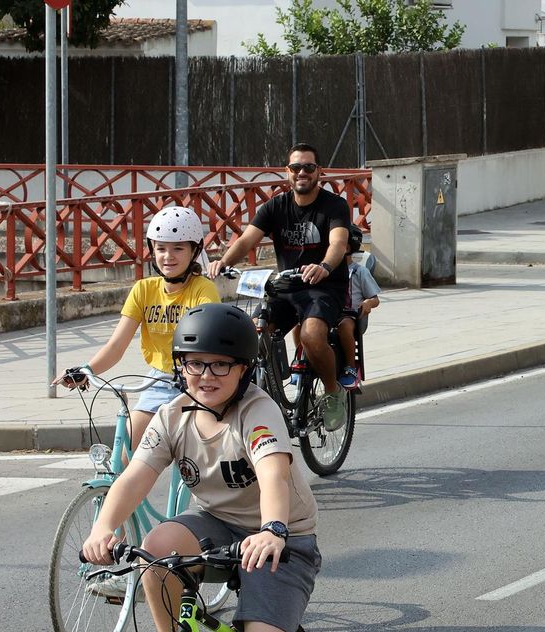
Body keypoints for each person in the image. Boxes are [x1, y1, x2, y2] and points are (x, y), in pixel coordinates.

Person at [80, 303, 326, 632]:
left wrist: (273, 529)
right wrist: (102, 528)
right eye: (195, 364)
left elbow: (272, 474)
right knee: (157, 548)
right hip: (216, 524)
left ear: (244, 369)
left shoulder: (258, 412)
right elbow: (135, 477)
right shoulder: (173, 415)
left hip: (282, 537)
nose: (206, 375)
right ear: (180, 366)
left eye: (220, 365)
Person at [55, 205, 221, 453]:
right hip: (159, 380)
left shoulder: (203, 290)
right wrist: (86, 370)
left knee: (196, 455)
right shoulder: (143, 290)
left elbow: (208, 343)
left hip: (196, 381)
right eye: (161, 248)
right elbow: (116, 345)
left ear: (194, 251)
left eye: (178, 248)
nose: (168, 256)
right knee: (128, 447)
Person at [211, 142, 351, 431]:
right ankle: (265, 388)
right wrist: (223, 262)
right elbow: (246, 240)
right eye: (296, 167)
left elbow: (338, 243)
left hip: (324, 287)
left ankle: (333, 391)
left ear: (319, 171)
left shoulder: (334, 205)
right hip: (286, 288)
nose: (302, 172)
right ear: (287, 171)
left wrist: (324, 266)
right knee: (251, 331)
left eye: (308, 167)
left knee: (311, 336)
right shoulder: (276, 205)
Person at [338, 226, 380, 388]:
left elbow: (375, 299)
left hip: (350, 316)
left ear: (347, 248)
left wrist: (368, 303)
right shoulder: (327, 271)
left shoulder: (360, 271)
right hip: (328, 312)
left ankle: (350, 367)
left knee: (344, 326)